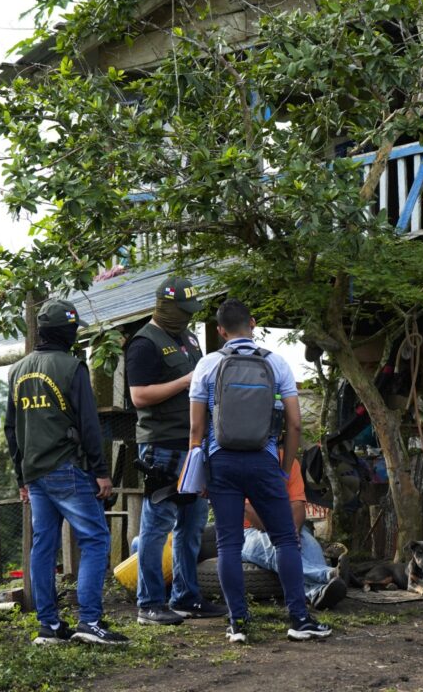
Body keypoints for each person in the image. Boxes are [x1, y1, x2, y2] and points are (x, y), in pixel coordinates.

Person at [188, 298, 332, 643]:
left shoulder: (207, 365)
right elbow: (294, 425)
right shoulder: (276, 363)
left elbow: (195, 432)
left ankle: (237, 622)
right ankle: (299, 618)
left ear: (221, 331)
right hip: (264, 460)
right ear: (252, 323)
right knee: (285, 538)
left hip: (221, 461)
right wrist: (283, 469)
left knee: (228, 544)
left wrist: (201, 473)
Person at [5, 299, 128, 646]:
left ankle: (49, 626)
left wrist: (22, 478)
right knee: (95, 539)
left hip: (35, 473)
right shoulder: (72, 368)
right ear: (69, 332)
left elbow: (11, 429)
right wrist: (101, 472)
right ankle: (89, 621)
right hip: (67, 469)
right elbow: (89, 425)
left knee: (43, 546)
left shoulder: (17, 370)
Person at [126, 275, 224, 625]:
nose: (187, 317)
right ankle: (150, 602)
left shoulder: (191, 338)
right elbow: (139, 396)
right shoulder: (143, 343)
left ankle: (186, 597)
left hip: (194, 444)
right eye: (182, 311)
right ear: (166, 307)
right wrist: (187, 380)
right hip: (161, 445)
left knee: (192, 523)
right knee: (157, 525)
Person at [241, 451, 346, 611]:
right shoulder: (242, 461)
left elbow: (298, 505)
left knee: (310, 543)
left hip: (286, 525)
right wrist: (284, 535)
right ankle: (328, 574)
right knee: (276, 546)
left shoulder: (288, 460)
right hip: (247, 531)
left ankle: (318, 594)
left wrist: (294, 532)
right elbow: (251, 512)